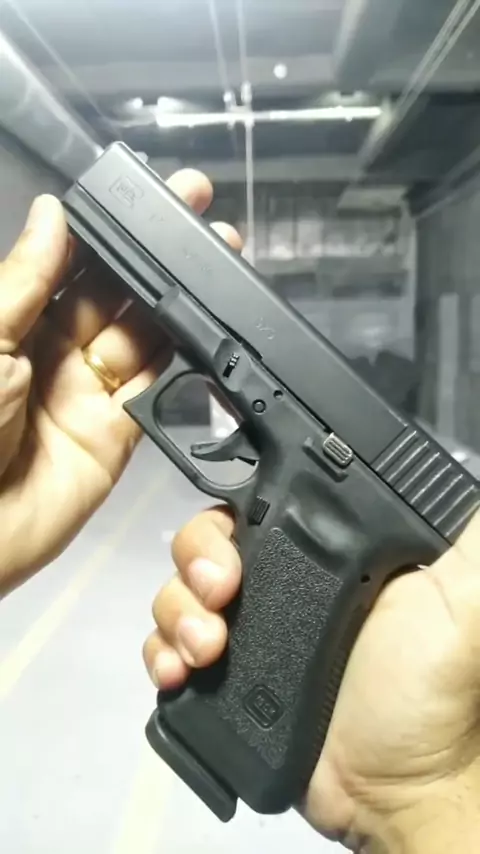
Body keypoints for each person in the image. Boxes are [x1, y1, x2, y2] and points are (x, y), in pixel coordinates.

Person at [1, 171, 479, 854]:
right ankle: (236, 741)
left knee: (288, 564)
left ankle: (236, 740)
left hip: (356, 476)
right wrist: (420, 804)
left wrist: (414, 797)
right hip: (355, 471)